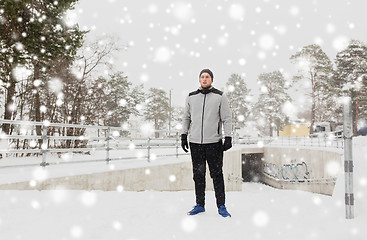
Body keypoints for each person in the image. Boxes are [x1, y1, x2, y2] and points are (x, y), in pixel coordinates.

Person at [181, 68, 233, 218]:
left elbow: (226, 118)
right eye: (202, 77)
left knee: (217, 175)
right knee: (198, 175)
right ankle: (200, 205)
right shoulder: (191, 97)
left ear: (212, 79)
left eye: (207, 77)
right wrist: (184, 135)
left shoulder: (220, 96)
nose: (204, 79)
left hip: (213, 143)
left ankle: (221, 206)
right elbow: (186, 118)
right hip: (195, 143)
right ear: (199, 79)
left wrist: (228, 137)